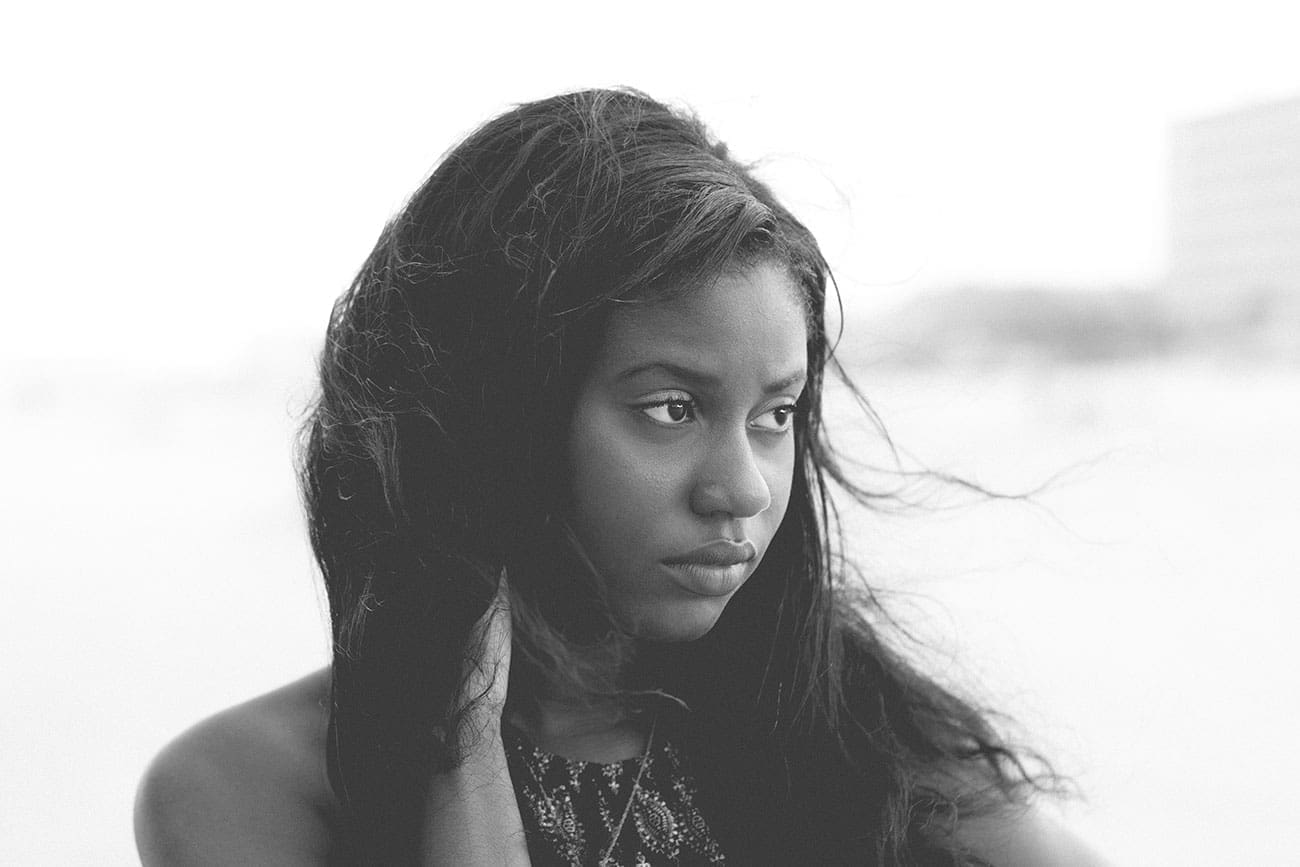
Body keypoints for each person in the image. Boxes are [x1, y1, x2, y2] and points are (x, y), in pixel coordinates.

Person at [134, 89, 1108, 865]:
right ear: (493, 414)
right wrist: (458, 760)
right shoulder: (248, 787)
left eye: (775, 416)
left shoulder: (839, 730)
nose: (745, 489)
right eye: (671, 409)